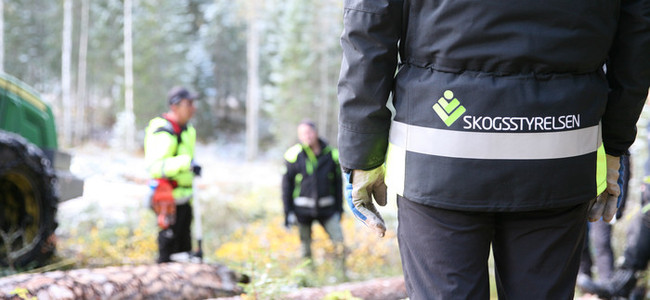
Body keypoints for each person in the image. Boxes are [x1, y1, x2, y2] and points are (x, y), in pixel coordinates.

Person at [337, 0, 650, 298]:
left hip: (439, 151)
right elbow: (637, 30)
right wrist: (614, 144)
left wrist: (363, 154)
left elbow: (369, 24)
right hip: (560, 149)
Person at [144, 86, 201, 263]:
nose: (193, 108)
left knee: (184, 250)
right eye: (189, 103)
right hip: (167, 200)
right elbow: (155, 166)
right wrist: (186, 163)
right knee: (168, 253)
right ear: (175, 106)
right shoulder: (163, 131)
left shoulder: (188, 130)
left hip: (185, 199)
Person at [281, 120, 344, 260]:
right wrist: (288, 213)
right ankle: (308, 277)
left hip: (327, 209)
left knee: (339, 243)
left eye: (309, 132)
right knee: (305, 249)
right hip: (301, 211)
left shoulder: (332, 154)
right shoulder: (293, 155)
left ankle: (341, 276)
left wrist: (340, 209)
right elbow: (286, 188)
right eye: (302, 134)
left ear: (315, 133)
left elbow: (338, 185)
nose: (306, 136)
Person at [578, 154, 631, 289]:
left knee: (601, 241)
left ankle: (606, 285)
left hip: (605, 197)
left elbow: (623, 164)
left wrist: (620, 203)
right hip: (582, 194)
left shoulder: (615, 137)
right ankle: (584, 284)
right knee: (580, 240)